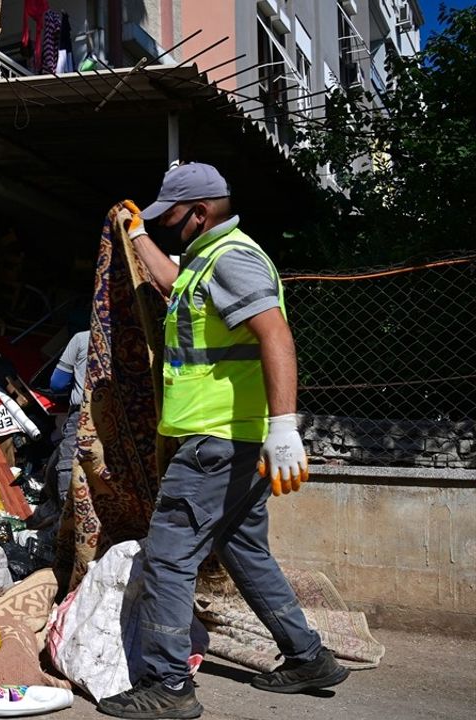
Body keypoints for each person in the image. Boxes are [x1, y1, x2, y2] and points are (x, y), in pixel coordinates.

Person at [98, 163, 346, 719]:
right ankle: (307, 657)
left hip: (216, 441)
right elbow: (167, 282)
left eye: (171, 219)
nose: (166, 227)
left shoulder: (233, 258)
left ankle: (168, 685)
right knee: (244, 551)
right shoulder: (206, 261)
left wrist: (285, 428)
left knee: (167, 558)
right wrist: (135, 233)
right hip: (230, 441)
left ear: (201, 213)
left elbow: (274, 332)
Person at [48, 327, 89, 503]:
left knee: (69, 465)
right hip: (119, 416)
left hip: (82, 413)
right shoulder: (136, 340)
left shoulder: (81, 339)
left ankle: (68, 517)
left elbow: (57, 383)